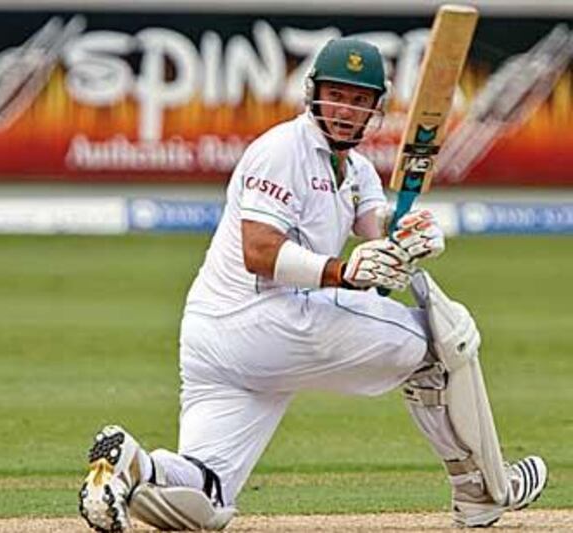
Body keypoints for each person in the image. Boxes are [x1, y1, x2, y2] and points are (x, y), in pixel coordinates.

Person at [78, 37, 547, 532]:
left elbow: (376, 228)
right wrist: (343, 272)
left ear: (375, 108)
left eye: (359, 99)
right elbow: (259, 252)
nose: (346, 109)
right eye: (337, 94)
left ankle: (130, 463)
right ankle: (480, 489)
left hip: (216, 342)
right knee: (442, 343)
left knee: (207, 495)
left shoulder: (358, 171)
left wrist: (410, 234)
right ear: (313, 93)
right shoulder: (282, 150)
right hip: (264, 318)